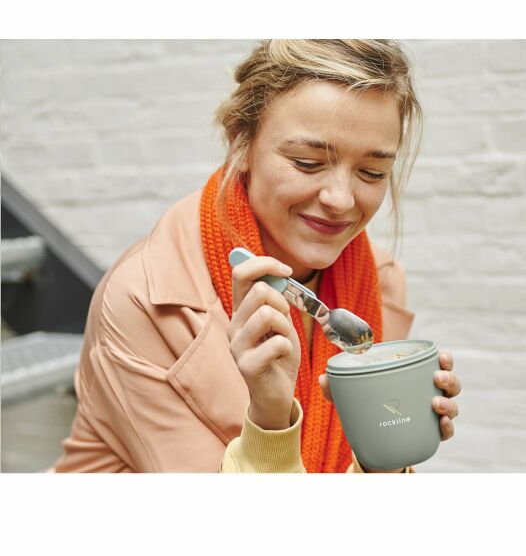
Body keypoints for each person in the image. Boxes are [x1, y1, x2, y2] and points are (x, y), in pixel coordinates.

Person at [54, 39, 461, 473]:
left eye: (372, 172)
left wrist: (390, 448)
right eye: (307, 162)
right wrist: (270, 418)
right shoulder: (142, 299)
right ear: (240, 144)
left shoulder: (378, 282)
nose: (341, 199)